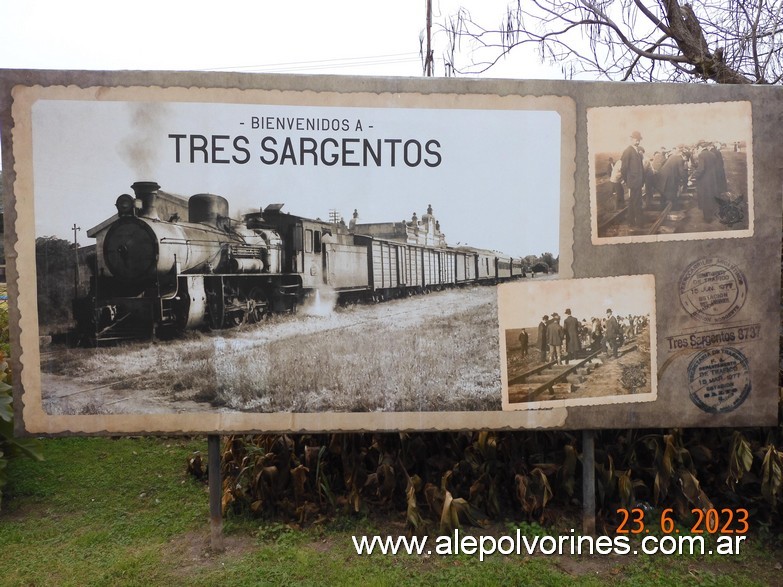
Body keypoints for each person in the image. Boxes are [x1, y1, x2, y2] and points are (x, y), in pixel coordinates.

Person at [621, 131, 645, 226]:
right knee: (637, 202)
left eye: (639, 139)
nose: (638, 141)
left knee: (632, 201)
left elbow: (640, 167)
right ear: (631, 139)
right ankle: (639, 223)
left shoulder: (637, 151)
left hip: (638, 181)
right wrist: (628, 180)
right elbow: (624, 168)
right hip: (633, 181)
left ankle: (630, 221)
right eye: (636, 139)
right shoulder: (628, 151)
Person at [693, 140, 718, 223]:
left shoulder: (701, 155)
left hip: (704, 181)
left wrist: (695, 176)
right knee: (711, 196)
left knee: (705, 198)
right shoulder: (713, 154)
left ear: (700, 147)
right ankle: (711, 214)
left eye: (698, 148)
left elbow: (701, 169)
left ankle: (707, 218)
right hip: (712, 179)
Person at [659, 145, 687, 210]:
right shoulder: (679, 159)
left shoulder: (672, 156)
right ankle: (675, 208)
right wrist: (685, 181)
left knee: (663, 193)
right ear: (682, 154)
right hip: (669, 177)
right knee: (673, 192)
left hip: (662, 176)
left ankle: (661, 208)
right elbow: (681, 172)